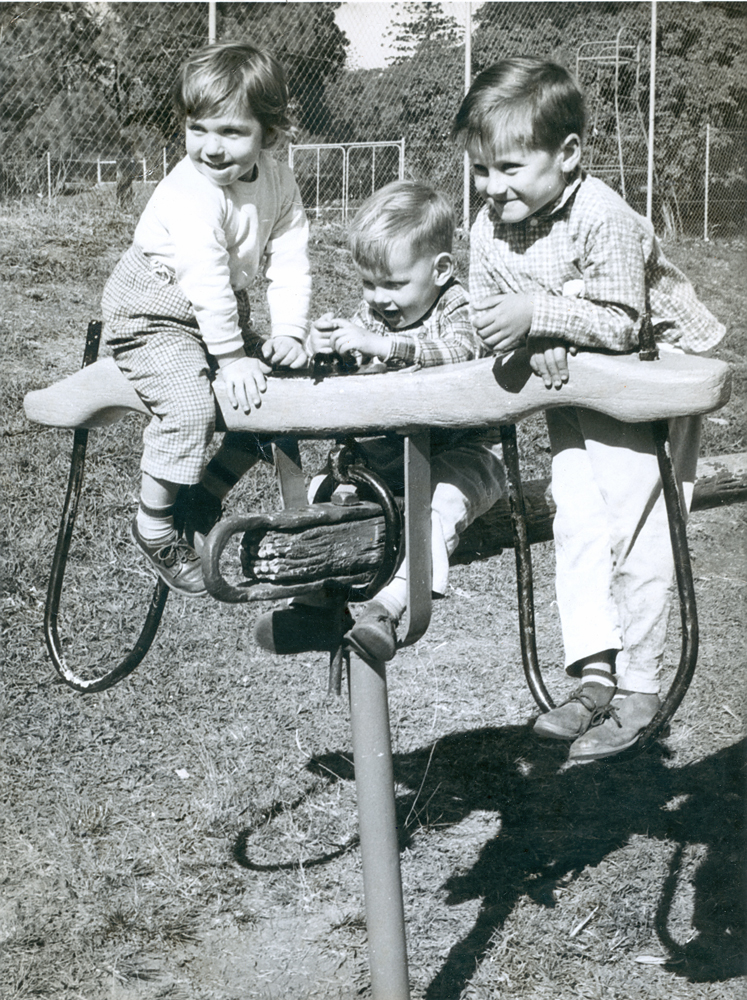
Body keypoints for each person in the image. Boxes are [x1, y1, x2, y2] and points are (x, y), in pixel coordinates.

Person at [453, 57, 725, 760]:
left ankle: (639, 683)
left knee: (638, 528)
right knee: (575, 520)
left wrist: (545, 318)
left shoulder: (601, 215)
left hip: (644, 380)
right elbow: (488, 315)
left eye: (509, 167)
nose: (491, 187)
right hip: (571, 384)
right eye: (480, 170)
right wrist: (537, 332)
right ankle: (593, 673)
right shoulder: (488, 226)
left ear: (567, 154)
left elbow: (619, 322)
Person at [254, 179, 506, 660]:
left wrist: (383, 347)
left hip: (461, 455)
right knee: (316, 497)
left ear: (441, 269)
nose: (378, 297)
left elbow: (460, 352)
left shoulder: (459, 305)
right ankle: (315, 606)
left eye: (393, 284)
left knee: (436, 509)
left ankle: (385, 611)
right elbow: (355, 373)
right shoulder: (372, 316)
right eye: (369, 283)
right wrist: (325, 352)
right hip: (385, 460)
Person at [102, 42, 311, 597]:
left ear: (269, 134)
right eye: (199, 129)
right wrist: (231, 357)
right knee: (192, 404)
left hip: (216, 309)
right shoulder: (191, 191)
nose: (210, 148)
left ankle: (203, 494)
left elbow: (289, 261)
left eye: (231, 132)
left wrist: (288, 332)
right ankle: (153, 527)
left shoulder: (280, 180)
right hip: (154, 308)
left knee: (275, 397)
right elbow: (204, 277)